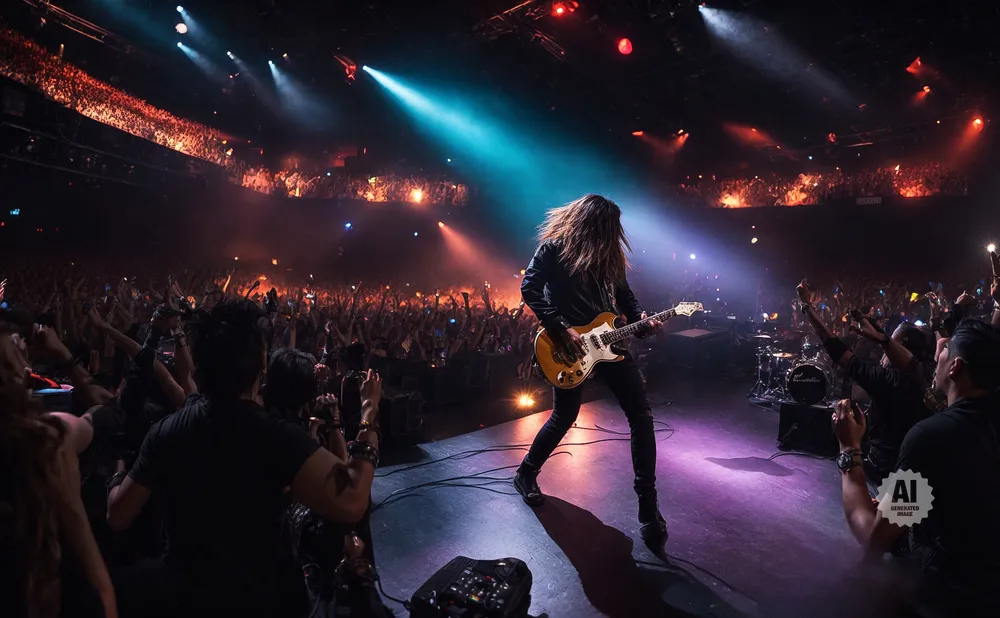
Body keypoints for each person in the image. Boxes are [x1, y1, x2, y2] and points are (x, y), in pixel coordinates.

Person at [105, 300, 382, 618]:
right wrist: (369, 413)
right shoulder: (275, 437)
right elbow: (351, 502)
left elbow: (118, 515)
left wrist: (117, 472)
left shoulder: (167, 431)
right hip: (256, 600)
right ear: (261, 365)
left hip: (184, 598)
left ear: (200, 364)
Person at [513, 194, 667, 549]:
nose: (614, 234)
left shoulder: (611, 259)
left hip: (611, 347)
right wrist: (559, 326)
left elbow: (626, 299)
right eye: (608, 227)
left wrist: (642, 318)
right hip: (569, 347)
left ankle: (648, 506)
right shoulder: (553, 250)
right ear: (590, 223)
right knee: (564, 416)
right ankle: (526, 473)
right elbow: (529, 288)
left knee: (641, 415)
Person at [831, 320, 1000, 616]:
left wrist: (849, 449)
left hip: (949, 598)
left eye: (943, 352)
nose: (936, 358)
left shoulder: (932, 438)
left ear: (955, 367)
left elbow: (876, 536)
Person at [796, 280, 933, 490]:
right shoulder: (931, 373)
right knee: (904, 520)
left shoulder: (885, 380)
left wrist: (807, 308)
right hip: (921, 472)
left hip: (887, 471)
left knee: (870, 522)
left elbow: (835, 348)